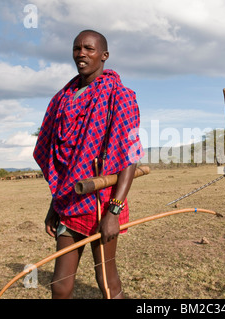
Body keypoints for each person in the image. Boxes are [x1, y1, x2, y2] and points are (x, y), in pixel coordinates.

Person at [33, 30, 143, 299]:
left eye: (89, 48)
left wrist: (113, 212)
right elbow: (63, 165)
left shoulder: (120, 96)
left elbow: (129, 157)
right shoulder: (61, 100)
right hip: (68, 202)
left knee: (106, 279)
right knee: (60, 285)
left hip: (103, 203)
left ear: (104, 56)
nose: (81, 53)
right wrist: (53, 205)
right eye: (77, 48)